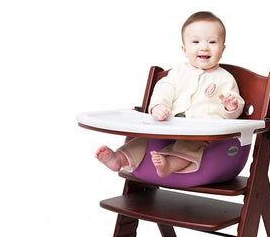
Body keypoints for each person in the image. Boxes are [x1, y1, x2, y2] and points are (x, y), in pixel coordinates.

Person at [96, 11, 244, 177]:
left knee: (189, 146)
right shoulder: (178, 72)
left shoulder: (225, 78)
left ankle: (169, 165)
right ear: (184, 49)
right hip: (170, 125)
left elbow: (234, 112)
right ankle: (119, 158)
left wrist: (230, 107)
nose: (204, 47)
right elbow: (164, 88)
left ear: (222, 49)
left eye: (212, 42)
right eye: (196, 42)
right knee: (145, 138)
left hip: (201, 132)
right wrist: (158, 106)